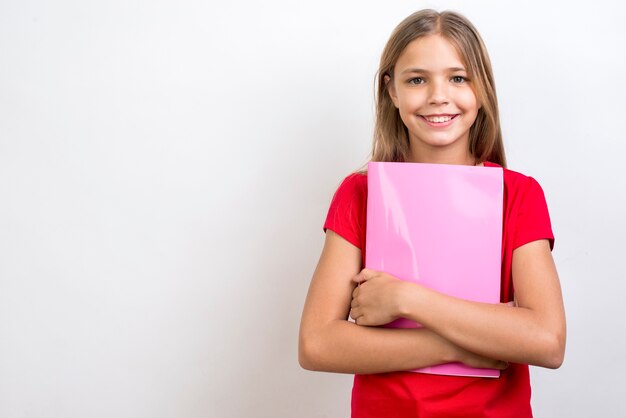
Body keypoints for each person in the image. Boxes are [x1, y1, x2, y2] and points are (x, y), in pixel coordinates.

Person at [298, 9, 566, 418]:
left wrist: (408, 299)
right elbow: (317, 344)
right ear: (392, 91)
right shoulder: (360, 193)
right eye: (417, 79)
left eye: (458, 78)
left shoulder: (519, 195)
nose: (438, 95)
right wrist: (458, 344)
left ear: (481, 89)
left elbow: (546, 340)